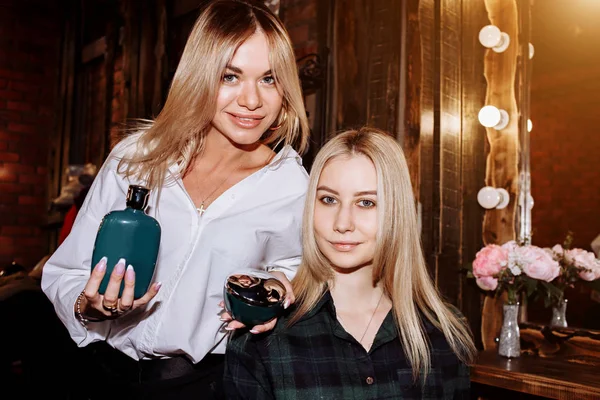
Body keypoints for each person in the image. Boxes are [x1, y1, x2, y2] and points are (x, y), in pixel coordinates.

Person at [41, 1, 310, 398]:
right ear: (200, 76)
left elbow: (301, 272)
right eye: (230, 76)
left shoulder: (290, 185)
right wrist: (88, 305)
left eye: (269, 79)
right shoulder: (136, 157)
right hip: (95, 374)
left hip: (205, 385)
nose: (252, 100)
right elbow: (65, 271)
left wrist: (278, 288)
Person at [224, 127, 477, 399]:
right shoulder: (264, 337)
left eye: (366, 203)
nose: (342, 223)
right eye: (329, 200)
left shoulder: (443, 332)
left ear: (396, 212)